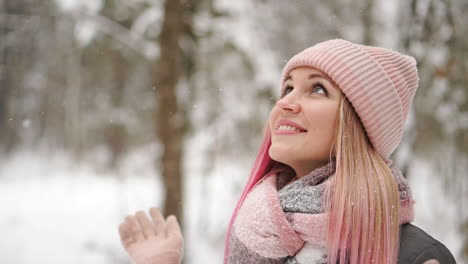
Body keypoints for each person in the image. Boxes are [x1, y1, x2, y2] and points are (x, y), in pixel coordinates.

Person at [118, 39, 456, 264]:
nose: (285, 102)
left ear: (360, 124)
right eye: (288, 87)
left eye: (317, 89)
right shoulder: (259, 236)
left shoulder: (414, 256)